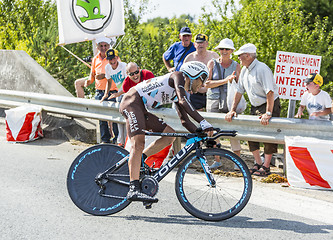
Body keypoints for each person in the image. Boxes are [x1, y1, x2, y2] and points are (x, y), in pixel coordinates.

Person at [120, 61, 213, 202]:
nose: (202, 85)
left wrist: (200, 134)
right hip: (131, 102)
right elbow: (182, 101)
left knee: (169, 135)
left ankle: (141, 161)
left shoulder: (178, 91)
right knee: (138, 142)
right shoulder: (177, 76)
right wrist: (203, 122)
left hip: (141, 107)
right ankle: (133, 189)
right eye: (201, 80)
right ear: (194, 74)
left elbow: (185, 121)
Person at [225, 43, 281, 177]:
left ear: (248, 56)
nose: (238, 58)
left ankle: (266, 167)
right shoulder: (244, 70)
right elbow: (239, 91)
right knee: (251, 133)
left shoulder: (262, 69)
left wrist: (268, 113)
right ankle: (258, 163)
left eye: (240, 56)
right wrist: (232, 110)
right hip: (255, 105)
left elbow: (270, 92)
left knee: (268, 135)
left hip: (269, 104)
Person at [205, 38, 242, 169]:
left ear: (232, 51)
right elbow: (207, 84)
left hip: (229, 101)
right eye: (222, 49)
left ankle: (237, 161)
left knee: (233, 130)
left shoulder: (236, 65)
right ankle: (217, 160)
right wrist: (225, 80)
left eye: (227, 49)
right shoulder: (212, 63)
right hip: (213, 99)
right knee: (213, 132)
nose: (224, 51)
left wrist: (232, 81)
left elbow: (240, 86)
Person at [84, 37, 118, 144]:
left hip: (112, 91)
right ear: (97, 47)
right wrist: (88, 82)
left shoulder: (113, 57)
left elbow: (117, 72)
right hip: (99, 91)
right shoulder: (95, 59)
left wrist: (103, 76)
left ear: (109, 46)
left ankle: (117, 139)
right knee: (102, 117)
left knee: (114, 117)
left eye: (105, 46)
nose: (103, 48)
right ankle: (105, 140)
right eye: (101, 46)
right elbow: (92, 75)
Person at [184, 33, 219, 111]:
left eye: (202, 42)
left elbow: (220, 73)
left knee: (213, 117)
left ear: (207, 44)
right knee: (198, 118)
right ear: (194, 44)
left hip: (212, 93)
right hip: (195, 94)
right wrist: (188, 88)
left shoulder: (214, 56)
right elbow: (184, 76)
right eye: (198, 42)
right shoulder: (189, 58)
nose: (200, 45)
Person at [100, 49, 127, 147]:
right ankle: (121, 141)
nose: (112, 61)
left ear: (117, 57)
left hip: (128, 93)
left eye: (114, 58)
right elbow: (109, 81)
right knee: (120, 118)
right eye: (110, 59)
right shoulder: (108, 67)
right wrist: (106, 94)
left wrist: (118, 94)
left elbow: (128, 85)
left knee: (127, 118)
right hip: (119, 93)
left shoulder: (124, 66)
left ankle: (126, 140)